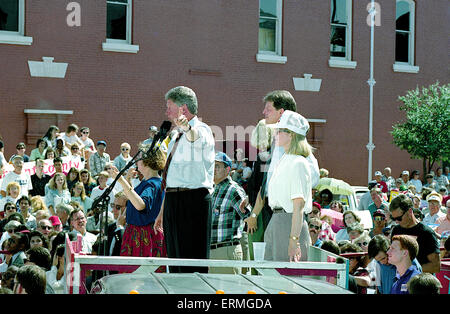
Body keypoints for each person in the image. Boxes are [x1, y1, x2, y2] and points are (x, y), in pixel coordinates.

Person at [153, 86, 215, 273]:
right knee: (175, 262)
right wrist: (163, 210)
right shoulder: (174, 135)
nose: (166, 111)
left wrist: (187, 127)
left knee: (192, 263)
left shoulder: (201, 130)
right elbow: (172, 177)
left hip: (193, 201)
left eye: (169, 106)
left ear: (183, 108)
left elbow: (194, 137)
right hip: (173, 200)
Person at [262, 110, 313, 262]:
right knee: (272, 277)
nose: (275, 133)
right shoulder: (285, 160)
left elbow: (298, 206)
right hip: (277, 220)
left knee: (289, 279)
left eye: (279, 131)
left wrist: (294, 239)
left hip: (289, 223)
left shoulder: (298, 163)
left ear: (291, 134)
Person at [209, 152, 251, 274]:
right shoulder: (214, 190)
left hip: (227, 250)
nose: (214, 169)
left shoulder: (234, 190)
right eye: (212, 165)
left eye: (218, 166)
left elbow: (249, 219)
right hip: (214, 251)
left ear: (228, 169)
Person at [389, 194, 441, 273]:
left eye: (399, 218)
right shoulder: (396, 230)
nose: (396, 221)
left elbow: (435, 266)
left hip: (421, 282)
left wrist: (409, 269)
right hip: (401, 282)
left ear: (410, 211)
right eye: (394, 218)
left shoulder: (426, 233)